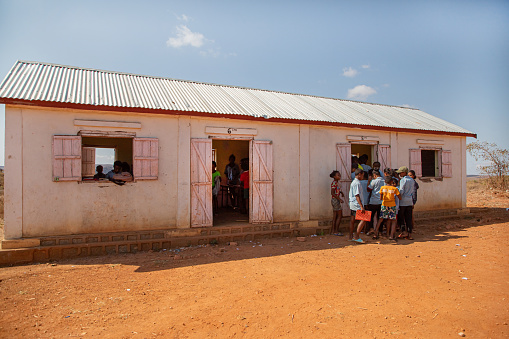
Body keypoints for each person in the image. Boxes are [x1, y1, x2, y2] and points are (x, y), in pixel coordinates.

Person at [373, 176, 401, 242]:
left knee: (380, 219)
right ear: (391, 182)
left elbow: (380, 198)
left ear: (385, 182)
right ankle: (391, 235)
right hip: (392, 205)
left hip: (384, 204)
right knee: (393, 220)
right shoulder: (394, 189)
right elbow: (399, 197)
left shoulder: (382, 188)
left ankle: (375, 233)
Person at [397, 166, 416, 240]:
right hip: (409, 201)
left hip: (403, 201)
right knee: (408, 218)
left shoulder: (403, 180)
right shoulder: (412, 180)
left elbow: (401, 191)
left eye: (400, 173)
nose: (399, 174)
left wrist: (398, 196)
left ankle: (403, 231)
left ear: (404, 172)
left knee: (401, 217)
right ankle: (410, 233)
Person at [348, 168, 367, 243]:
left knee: (352, 220)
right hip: (356, 204)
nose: (363, 177)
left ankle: (350, 236)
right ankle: (356, 236)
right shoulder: (357, 183)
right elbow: (357, 195)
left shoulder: (353, 182)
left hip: (352, 203)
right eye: (362, 175)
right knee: (364, 219)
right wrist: (361, 206)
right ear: (359, 175)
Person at [367, 169, 384, 235]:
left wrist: (369, 181)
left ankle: (371, 229)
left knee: (371, 216)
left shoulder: (374, 181)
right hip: (381, 201)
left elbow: (368, 189)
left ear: (374, 175)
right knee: (380, 217)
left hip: (373, 201)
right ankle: (380, 230)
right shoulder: (384, 181)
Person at [329, 170, 345, 236]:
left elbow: (336, 191)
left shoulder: (336, 183)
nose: (339, 176)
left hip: (335, 200)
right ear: (334, 177)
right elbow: (332, 193)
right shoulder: (334, 183)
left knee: (335, 216)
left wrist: (341, 193)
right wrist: (339, 199)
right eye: (338, 175)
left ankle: (333, 231)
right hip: (335, 200)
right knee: (339, 215)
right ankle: (336, 230)